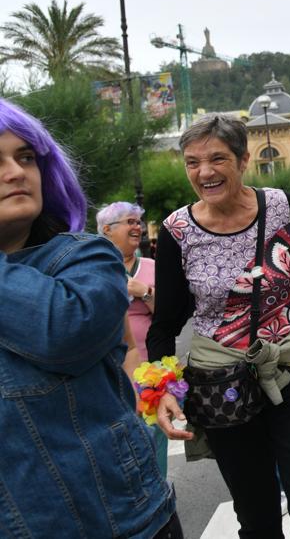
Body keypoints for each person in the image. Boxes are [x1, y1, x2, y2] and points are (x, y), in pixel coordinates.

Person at [148, 114, 290, 538]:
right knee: (257, 514)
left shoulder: (282, 207)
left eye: (217, 158)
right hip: (221, 382)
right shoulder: (176, 232)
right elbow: (165, 321)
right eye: (192, 162)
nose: (204, 172)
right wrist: (161, 390)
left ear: (243, 161)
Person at [0, 98, 181, 537]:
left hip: (121, 522)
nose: (15, 171)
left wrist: (151, 394)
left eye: (25, 156)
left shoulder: (87, 257)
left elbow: (68, 329)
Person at [97, 200, 170, 477]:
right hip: (110, 370)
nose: (137, 227)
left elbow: (169, 314)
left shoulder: (152, 266)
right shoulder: (95, 267)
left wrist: (145, 291)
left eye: (138, 222)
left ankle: (159, 489)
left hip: (150, 367)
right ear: (108, 229)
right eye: (129, 222)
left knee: (154, 433)